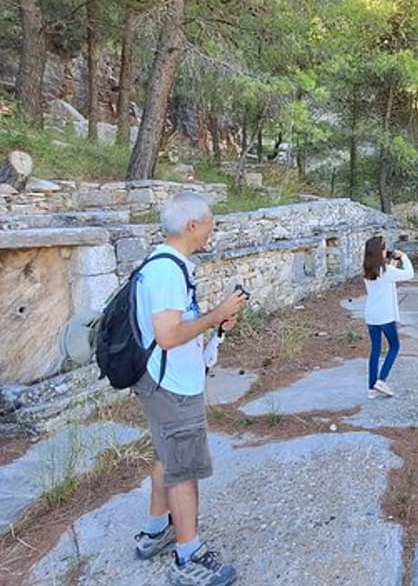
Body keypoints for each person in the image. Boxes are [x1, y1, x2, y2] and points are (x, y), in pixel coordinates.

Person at [131, 192, 247, 586]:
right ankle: (188, 555)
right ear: (192, 226)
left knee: (167, 455)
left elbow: (177, 326)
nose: (211, 230)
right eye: (210, 223)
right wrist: (216, 314)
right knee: (183, 468)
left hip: (164, 381)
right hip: (171, 386)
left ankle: (155, 531)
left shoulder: (165, 264)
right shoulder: (167, 272)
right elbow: (167, 336)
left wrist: (215, 324)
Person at [362, 235, 414, 398]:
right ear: (381, 251)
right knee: (394, 346)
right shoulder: (387, 271)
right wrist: (404, 257)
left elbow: (384, 278)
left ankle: (371, 389)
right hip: (385, 315)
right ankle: (381, 380)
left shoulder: (367, 270)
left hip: (371, 315)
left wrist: (392, 263)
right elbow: (409, 274)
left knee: (375, 351)